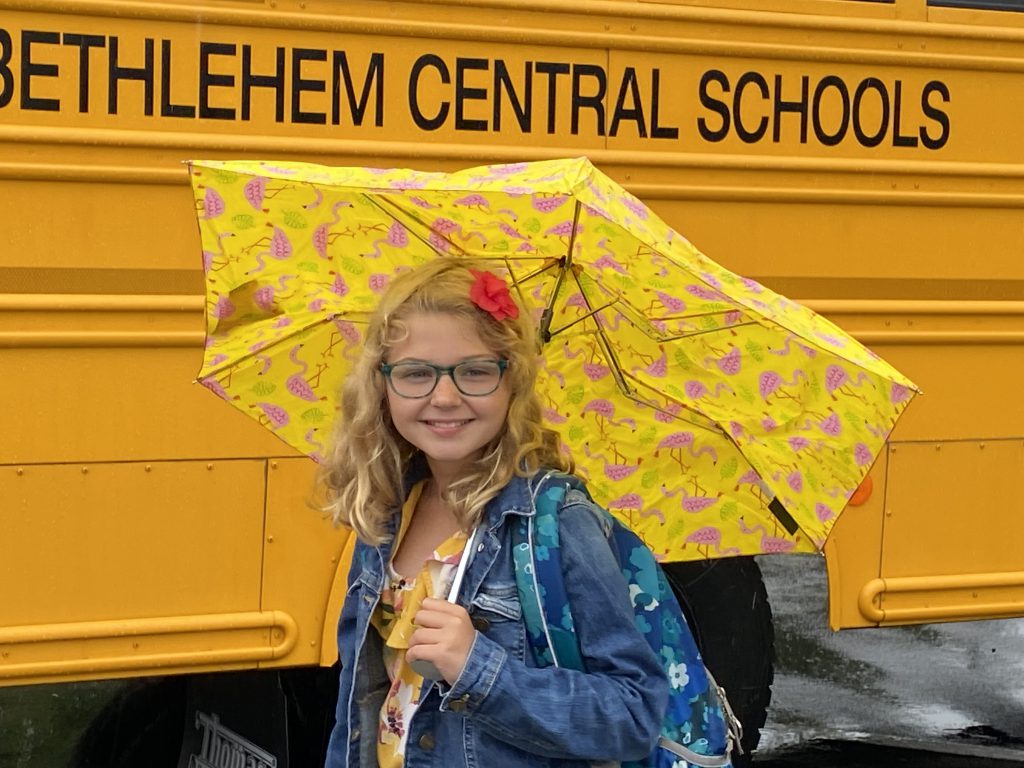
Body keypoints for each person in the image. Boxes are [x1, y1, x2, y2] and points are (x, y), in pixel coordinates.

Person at [319, 257, 668, 768]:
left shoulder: (558, 522)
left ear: (512, 382)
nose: (444, 396)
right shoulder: (385, 515)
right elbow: (356, 707)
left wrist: (479, 668)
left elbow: (634, 717)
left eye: (475, 371)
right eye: (416, 373)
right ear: (382, 385)